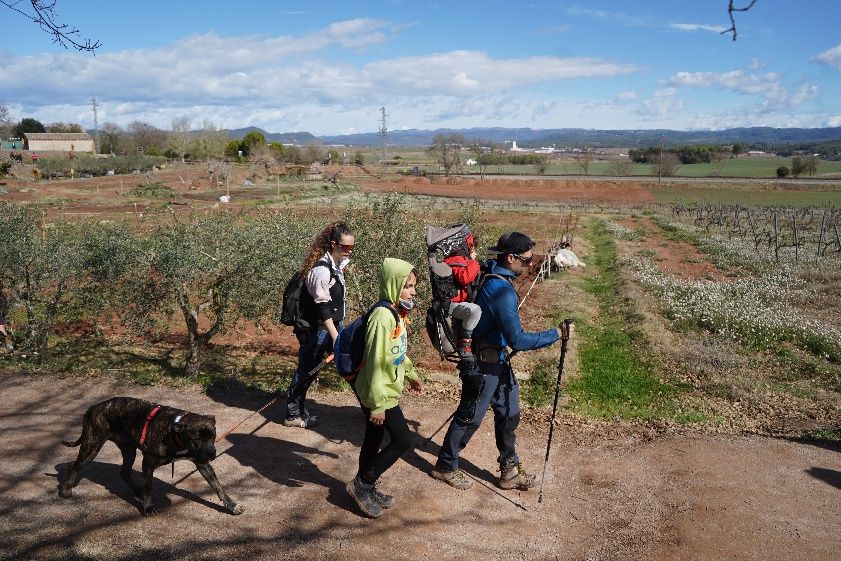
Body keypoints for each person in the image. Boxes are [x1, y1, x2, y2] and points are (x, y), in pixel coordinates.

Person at [431, 232, 564, 491]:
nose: (530, 264)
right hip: (483, 364)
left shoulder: (492, 275)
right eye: (526, 260)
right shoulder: (501, 290)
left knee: (509, 413)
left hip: (497, 360)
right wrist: (556, 334)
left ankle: (509, 470)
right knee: (470, 417)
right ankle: (445, 466)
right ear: (510, 258)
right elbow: (519, 340)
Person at [347, 258, 423, 518]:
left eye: (413, 286)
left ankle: (366, 486)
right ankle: (363, 484)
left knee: (374, 437)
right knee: (403, 441)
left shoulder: (396, 311)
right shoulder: (382, 317)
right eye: (409, 286)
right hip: (379, 391)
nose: (413, 292)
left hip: (382, 388)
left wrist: (411, 373)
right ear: (393, 285)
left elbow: (397, 352)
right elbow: (377, 361)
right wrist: (378, 404)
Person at [283, 222, 354, 428]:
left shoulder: (334, 265)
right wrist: (336, 336)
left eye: (352, 247)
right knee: (307, 370)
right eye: (345, 247)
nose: (349, 251)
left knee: (333, 366)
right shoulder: (321, 272)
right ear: (334, 244)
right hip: (318, 331)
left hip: (329, 328)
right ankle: (293, 413)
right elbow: (323, 308)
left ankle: (296, 408)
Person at [443, 232, 482, 361]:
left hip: (453, 303)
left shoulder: (453, 259)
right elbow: (465, 278)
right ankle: (465, 345)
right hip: (451, 305)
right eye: (473, 248)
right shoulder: (456, 260)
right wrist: (473, 261)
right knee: (475, 310)